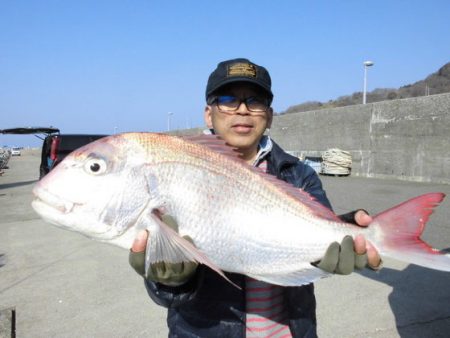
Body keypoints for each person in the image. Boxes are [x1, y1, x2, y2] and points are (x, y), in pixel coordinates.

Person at [129, 58, 381, 337]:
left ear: (269, 115)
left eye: (255, 101)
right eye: (227, 99)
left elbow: (322, 232)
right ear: (208, 114)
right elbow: (167, 294)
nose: (242, 111)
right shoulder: (175, 171)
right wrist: (170, 282)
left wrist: (349, 232)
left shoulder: (299, 175)